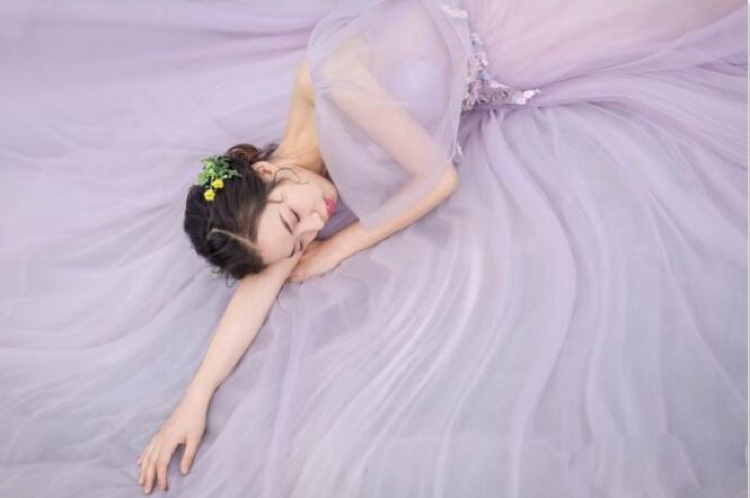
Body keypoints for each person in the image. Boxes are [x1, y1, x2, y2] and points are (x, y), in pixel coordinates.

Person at [0, 0, 746, 497]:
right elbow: (260, 285)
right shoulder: (282, 195)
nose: (314, 224)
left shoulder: (340, 91)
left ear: (266, 172)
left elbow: (440, 180)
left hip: (515, 34)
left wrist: (343, 246)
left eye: (295, 220)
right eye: (299, 238)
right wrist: (191, 402)